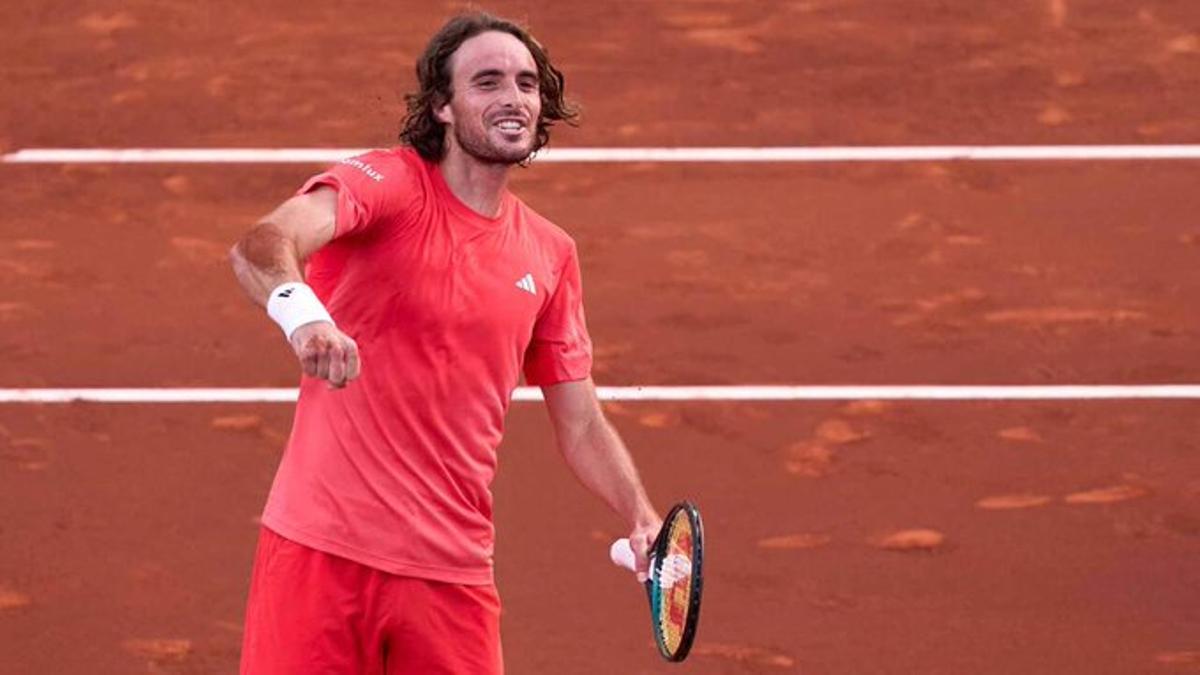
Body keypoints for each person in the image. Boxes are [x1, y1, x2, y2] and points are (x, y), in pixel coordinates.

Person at [228, 12, 661, 675]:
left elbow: (579, 422)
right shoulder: (389, 185)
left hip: (450, 573)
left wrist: (639, 513)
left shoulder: (550, 254)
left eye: (525, 83)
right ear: (443, 106)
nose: (511, 97)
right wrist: (304, 314)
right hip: (321, 553)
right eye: (486, 82)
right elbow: (263, 244)